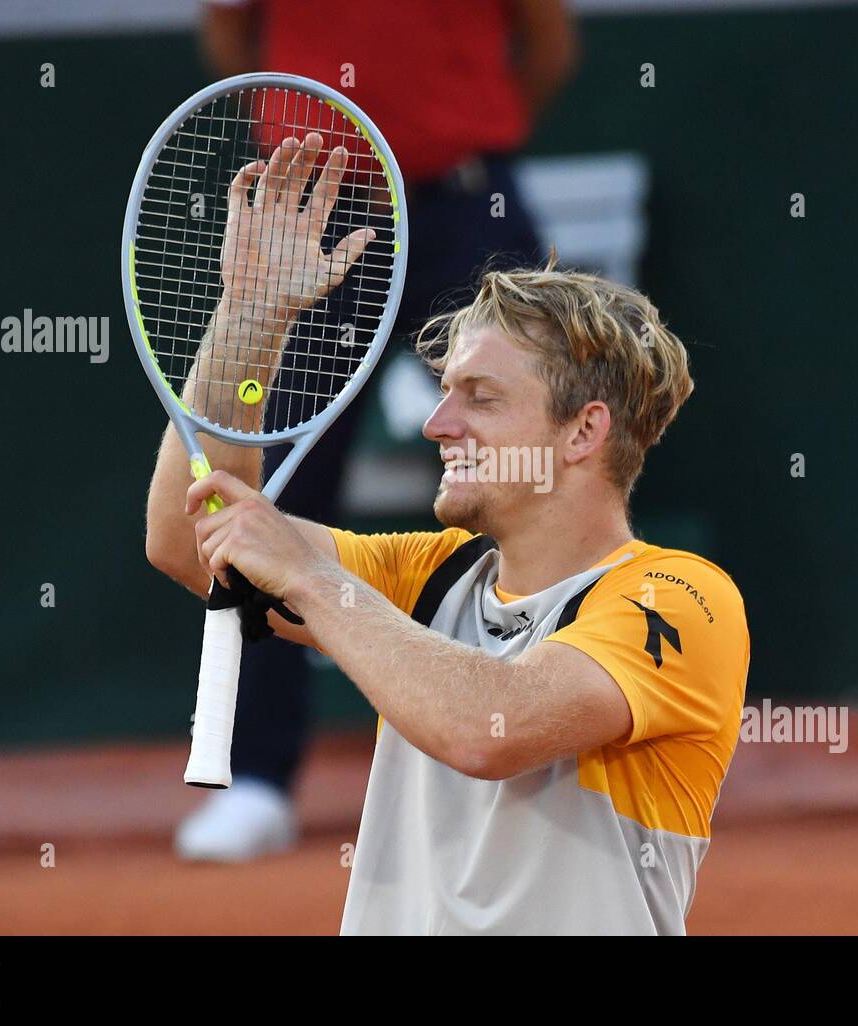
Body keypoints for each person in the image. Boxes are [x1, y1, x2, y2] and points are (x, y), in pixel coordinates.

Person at [145, 138, 750, 934]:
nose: (437, 424)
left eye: (480, 397)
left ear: (581, 433)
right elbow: (194, 541)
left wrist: (311, 580)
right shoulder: (430, 574)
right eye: (443, 393)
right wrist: (251, 329)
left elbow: (489, 729)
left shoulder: (680, 598)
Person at [175, 0, 578, 860]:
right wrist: (304, 140)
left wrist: (456, 133)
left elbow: (547, 41)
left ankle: (554, 745)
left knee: (538, 473)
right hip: (315, 216)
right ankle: (252, 781)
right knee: (259, 492)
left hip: (469, 205)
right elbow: (228, 29)